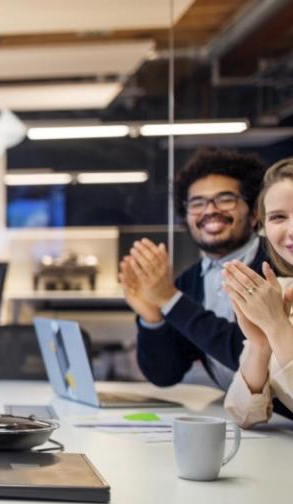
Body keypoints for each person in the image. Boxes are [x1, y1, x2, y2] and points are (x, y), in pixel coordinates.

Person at [122, 148, 268, 388]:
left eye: (225, 199)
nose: (210, 210)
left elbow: (246, 354)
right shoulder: (189, 282)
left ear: (253, 214)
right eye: (197, 203)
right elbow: (165, 374)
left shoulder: (275, 266)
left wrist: (170, 299)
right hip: (238, 415)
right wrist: (152, 316)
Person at [222, 158, 293, 427]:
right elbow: (242, 413)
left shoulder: (275, 308)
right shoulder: (281, 292)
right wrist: (260, 345)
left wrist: (277, 327)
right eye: (277, 217)